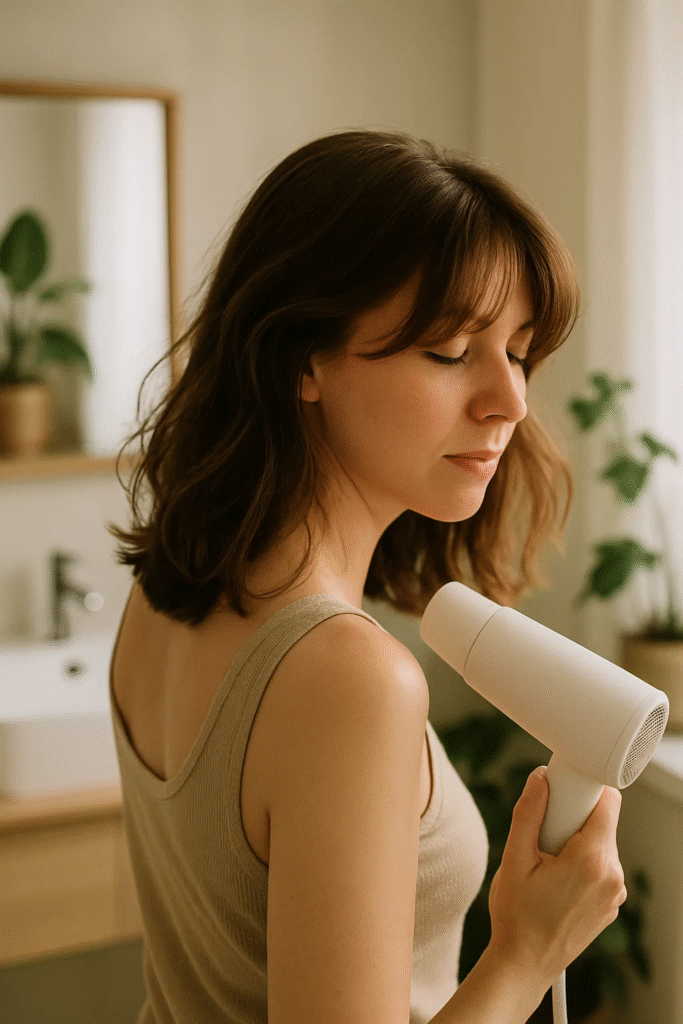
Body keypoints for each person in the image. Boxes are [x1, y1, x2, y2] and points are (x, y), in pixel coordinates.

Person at [107, 128, 627, 1024]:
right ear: (304, 356)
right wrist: (527, 953)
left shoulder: (163, 591)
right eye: (450, 350)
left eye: (519, 350)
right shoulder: (346, 679)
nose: (508, 399)